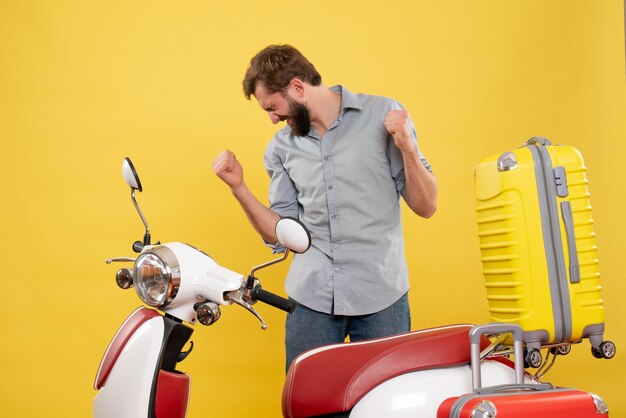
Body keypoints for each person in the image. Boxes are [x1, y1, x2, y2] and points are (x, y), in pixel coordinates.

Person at [212, 44, 437, 371]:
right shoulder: (280, 148)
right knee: (307, 402)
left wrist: (408, 148)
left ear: (298, 88)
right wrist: (239, 188)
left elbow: (426, 206)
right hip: (311, 302)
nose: (273, 119)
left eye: (272, 107)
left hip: (382, 298)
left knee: (383, 402)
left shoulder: (383, 116)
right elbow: (282, 234)